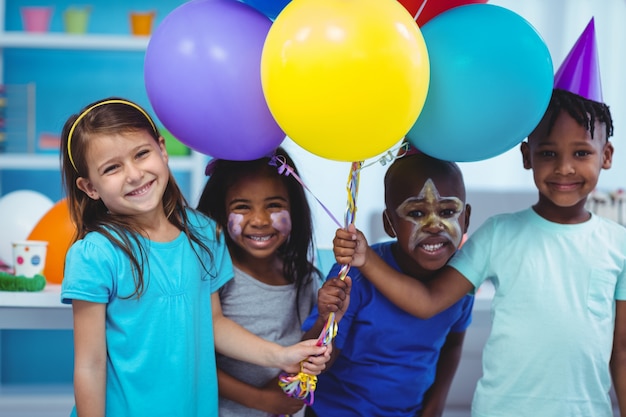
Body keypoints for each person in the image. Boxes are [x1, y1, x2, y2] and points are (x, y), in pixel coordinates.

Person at [334, 88, 626, 417]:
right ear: (527, 156)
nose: (565, 168)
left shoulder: (620, 246)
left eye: (581, 153)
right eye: (548, 153)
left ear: (607, 155)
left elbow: (622, 348)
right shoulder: (498, 234)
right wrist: (365, 258)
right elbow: (429, 301)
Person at [59, 98, 332, 417]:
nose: (133, 174)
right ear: (90, 187)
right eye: (112, 168)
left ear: (162, 150)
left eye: (141, 154)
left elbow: (214, 324)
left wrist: (280, 356)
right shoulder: (94, 255)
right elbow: (90, 365)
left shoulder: (203, 234)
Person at [301, 148, 474, 416]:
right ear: (389, 223)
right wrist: (326, 321)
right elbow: (317, 361)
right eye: (416, 213)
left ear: (467, 218)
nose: (434, 225)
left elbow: (453, 344)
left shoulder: (461, 281)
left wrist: (434, 407)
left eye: (448, 210)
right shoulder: (353, 274)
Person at [197, 148, 350, 417]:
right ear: (222, 211)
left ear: (294, 208)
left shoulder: (305, 278)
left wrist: (325, 320)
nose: (259, 221)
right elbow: (196, 362)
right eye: (242, 207)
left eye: (274, 205)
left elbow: (313, 355)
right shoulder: (214, 276)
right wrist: (261, 400)